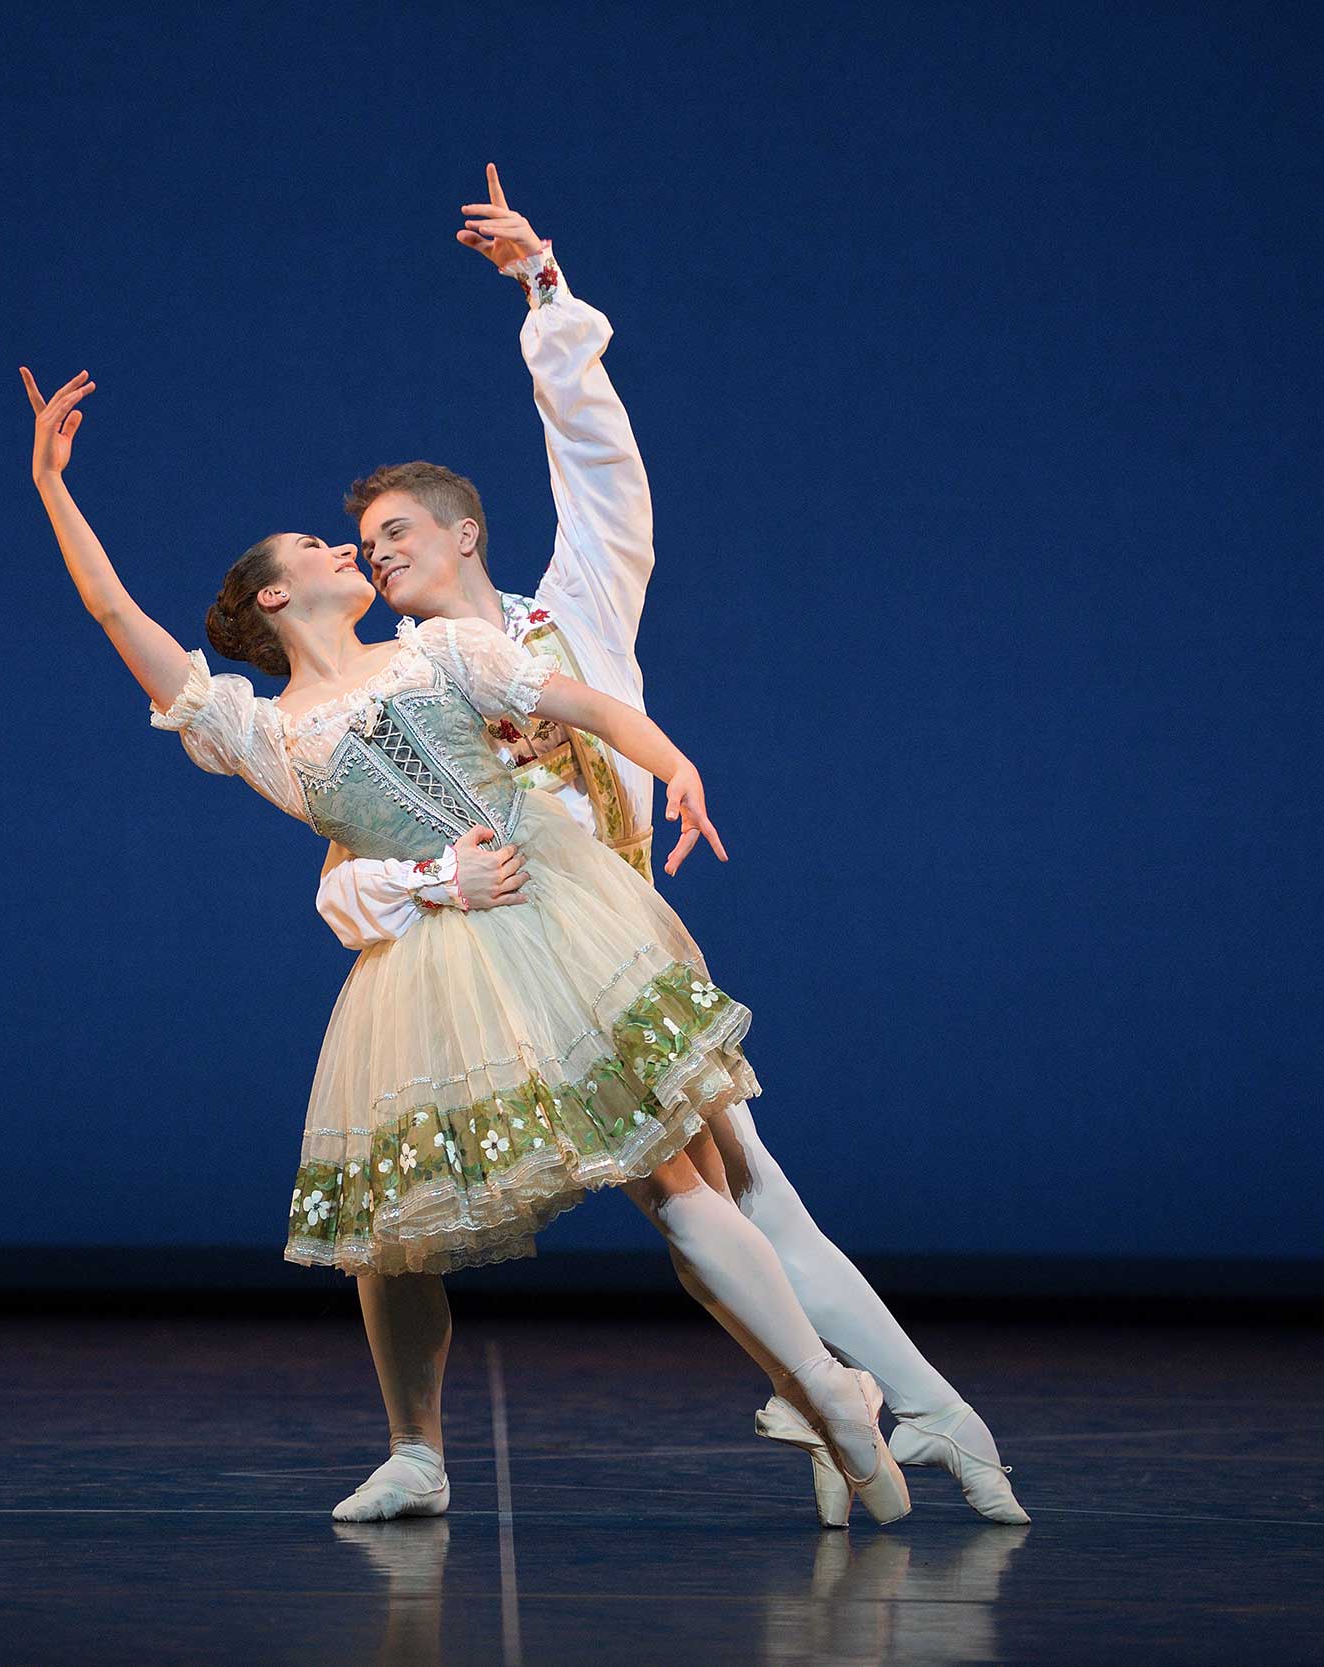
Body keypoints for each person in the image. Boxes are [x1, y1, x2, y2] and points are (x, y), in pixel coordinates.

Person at [21, 356, 911, 1532]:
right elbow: (114, 612)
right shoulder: (256, 730)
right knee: (390, 1226)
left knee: (672, 1168)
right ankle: (415, 1450)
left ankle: (837, 1400)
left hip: (554, 917)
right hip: (433, 969)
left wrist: (674, 762)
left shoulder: (436, 651)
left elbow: (573, 701)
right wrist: (51, 483)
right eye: (320, 550)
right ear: (276, 601)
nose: (350, 554)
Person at [310, 167, 1027, 1527]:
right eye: (363, 541)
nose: (378, 551)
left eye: (395, 530)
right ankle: (893, 1403)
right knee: (740, 1201)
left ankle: (894, 1404)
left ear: (465, 531)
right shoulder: (399, 681)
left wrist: (543, 290)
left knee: (739, 1199)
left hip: (616, 942)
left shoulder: (569, 601)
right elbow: (350, 845)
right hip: (520, 969)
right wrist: (418, 880)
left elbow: (598, 456)